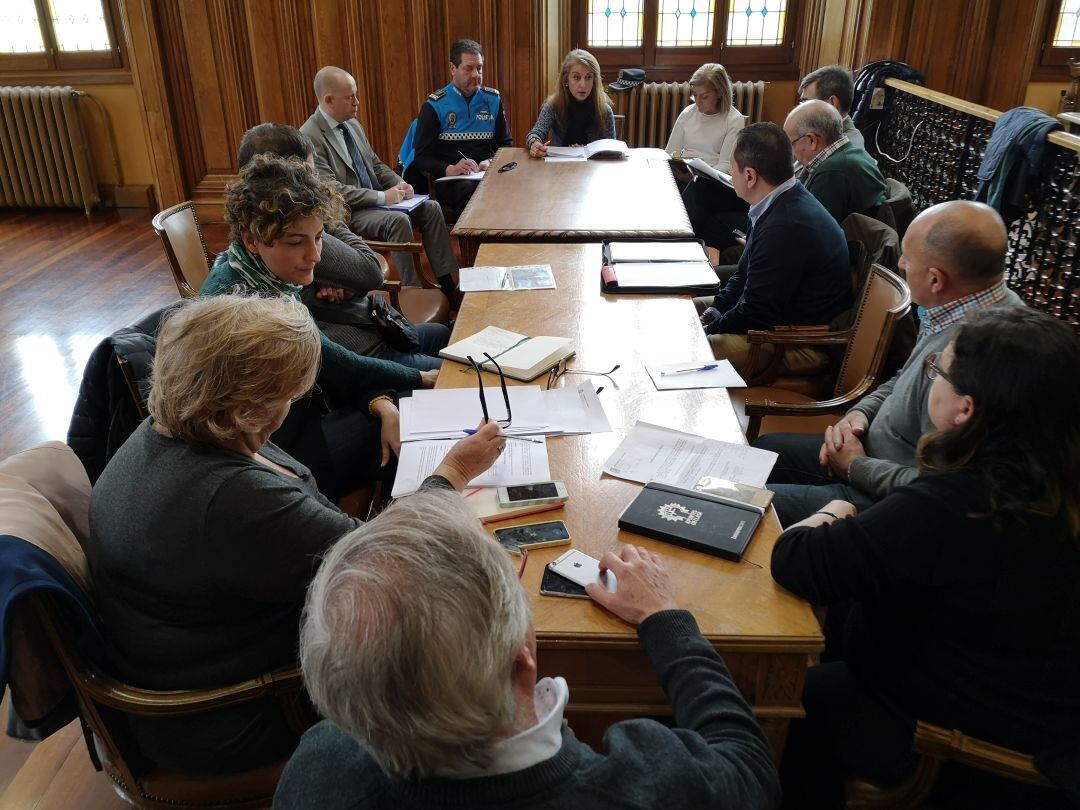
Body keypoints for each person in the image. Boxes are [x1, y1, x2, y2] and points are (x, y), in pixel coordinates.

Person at [87, 294, 506, 775]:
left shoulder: (169, 432)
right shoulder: (227, 499)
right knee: (463, 650)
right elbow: (385, 564)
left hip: (215, 650)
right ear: (253, 405)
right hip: (233, 711)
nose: (295, 402)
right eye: (290, 394)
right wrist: (453, 470)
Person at [273, 490, 782, 809]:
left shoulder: (318, 763)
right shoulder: (651, 786)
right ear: (522, 656)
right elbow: (751, 770)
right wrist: (666, 620)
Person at [772, 307, 1080, 809]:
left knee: (764, 708)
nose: (931, 378)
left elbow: (800, 561)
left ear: (965, 410)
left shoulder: (961, 502)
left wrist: (836, 507)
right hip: (1031, 723)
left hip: (948, 747)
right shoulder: (1051, 485)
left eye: (939, 372)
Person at [753, 200, 1025, 527]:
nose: (901, 262)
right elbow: (901, 379)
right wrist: (857, 416)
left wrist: (855, 465)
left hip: (886, 498)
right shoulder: (955, 303)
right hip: (865, 453)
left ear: (937, 279)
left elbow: (938, 489)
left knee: (752, 505)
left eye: (908, 257)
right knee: (764, 451)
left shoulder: (986, 353)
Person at [201, 153, 433, 501]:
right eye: (297, 243)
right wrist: (417, 379)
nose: (315, 255)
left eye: (319, 237)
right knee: (419, 413)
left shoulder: (253, 271)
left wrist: (380, 402)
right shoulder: (251, 308)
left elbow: (330, 365)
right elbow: (336, 363)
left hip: (305, 417)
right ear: (252, 239)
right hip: (276, 457)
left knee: (407, 403)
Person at [237, 123, 449, 371]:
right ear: (287, 179)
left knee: (442, 334)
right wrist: (326, 224)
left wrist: (345, 286)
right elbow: (370, 271)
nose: (315, 184)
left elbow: (362, 278)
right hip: (365, 350)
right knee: (461, 375)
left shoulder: (293, 232)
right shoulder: (288, 235)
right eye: (309, 174)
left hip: (371, 328)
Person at [693, 123, 852, 376]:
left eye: (732, 170)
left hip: (795, 342)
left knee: (691, 352)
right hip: (771, 322)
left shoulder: (786, 225)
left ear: (750, 176)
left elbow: (756, 313)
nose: (731, 176)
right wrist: (714, 311)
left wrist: (706, 332)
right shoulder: (774, 200)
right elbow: (743, 275)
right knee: (685, 309)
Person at [300, 66, 460, 298]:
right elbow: (332, 191)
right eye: (350, 97)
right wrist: (384, 197)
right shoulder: (309, 136)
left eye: (355, 95)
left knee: (431, 208)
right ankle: (410, 289)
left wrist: (400, 183)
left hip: (379, 201)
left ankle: (447, 282)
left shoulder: (352, 123)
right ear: (329, 100)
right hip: (351, 211)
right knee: (398, 221)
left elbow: (374, 164)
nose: (357, 102)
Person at [401, 38, 513, 212]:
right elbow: (422, 158)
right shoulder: (435, 106)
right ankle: (474, 240)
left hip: (486, 174)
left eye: (479, 68)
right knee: (471, 193)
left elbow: (505, 144)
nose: (476, 74)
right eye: (468, 68)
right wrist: (450, 169)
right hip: (452, 180)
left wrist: (490, 161)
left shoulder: (493, 99)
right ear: (452, 68)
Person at [667, 62, 749, 253]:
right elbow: (670, 151)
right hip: (688, 175)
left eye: (704, 97)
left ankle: (672, 238)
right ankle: (666, 233)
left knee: (698, 188)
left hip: (717, 185)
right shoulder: (688, 114)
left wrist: (695, 175)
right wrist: (677, 167)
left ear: (719, 93)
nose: (698, 102)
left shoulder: (733, 120)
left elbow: (726, 166)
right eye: (695, 95)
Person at [784, 100, 887, 224]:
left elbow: (810, 231)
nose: (792, 151)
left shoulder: (831, 174)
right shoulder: (853, 152)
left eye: (791, 143)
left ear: (812, 140)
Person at [526, 49, 614, 156]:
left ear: (594, 81)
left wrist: (586, 151)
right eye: (576, 77)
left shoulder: (604, 110)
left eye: (588, 77)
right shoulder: (553, 106)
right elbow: (535, 133)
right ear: (566, 80)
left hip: (593, 169)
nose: (583, 84)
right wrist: (534, 143)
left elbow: (612, 150)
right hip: (561, 167)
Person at [798, 65, 863, 150]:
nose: (800, 109)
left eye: (806, 102)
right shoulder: (818, 132)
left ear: (832, 103)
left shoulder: (845, 149)